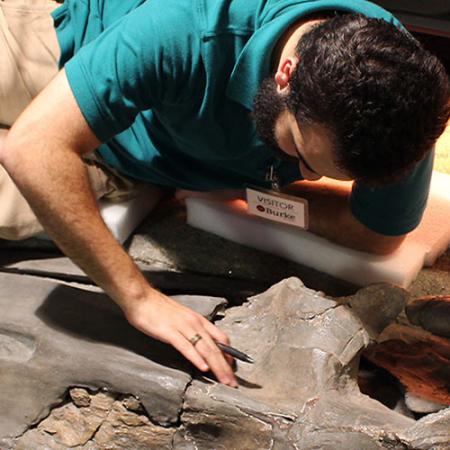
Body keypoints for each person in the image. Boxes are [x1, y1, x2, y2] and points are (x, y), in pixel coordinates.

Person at [0, 0, 448, 387]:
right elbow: (33, 148)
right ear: (285, 75)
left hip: (129, 165)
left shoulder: (400, 98)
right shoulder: (189, 26)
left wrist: (252, 199)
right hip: (63, 51)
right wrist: (139, 299)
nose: (309, 179)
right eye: (299, 153)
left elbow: (376, 234)